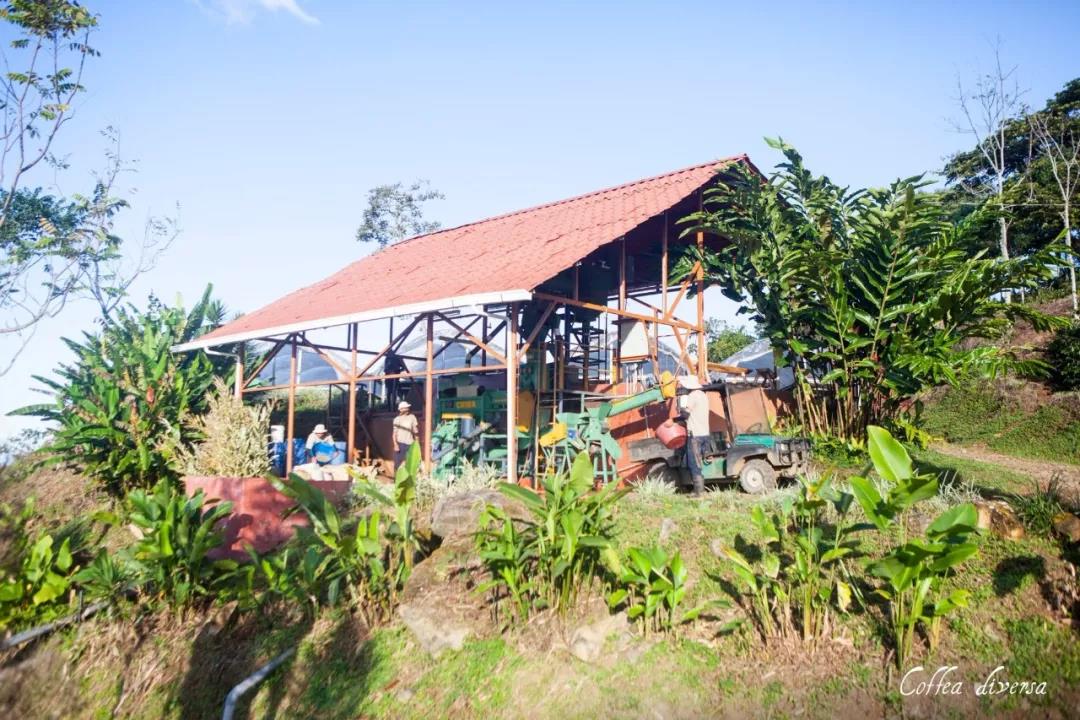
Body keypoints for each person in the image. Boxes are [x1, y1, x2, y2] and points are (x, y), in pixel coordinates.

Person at [679, 376, 710, 496]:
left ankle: (699, 491)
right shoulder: (703, 395)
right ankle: (698, 490)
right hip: (704, 433)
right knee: (698, 461)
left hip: (695, 435)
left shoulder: (693, 396)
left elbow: (686, 414)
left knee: (694, 462)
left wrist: (680, 412)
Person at [392, 400, 419, 468]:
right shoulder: (397, 419)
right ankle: (397, 478)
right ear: (401, 409)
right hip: (400, 444)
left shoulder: (412, 417)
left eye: (408, 408)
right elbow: (394, 433)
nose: (407, 409)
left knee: (410, 463)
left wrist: (417, 443)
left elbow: (415, 431)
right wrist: (395, 445)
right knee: (398, 464)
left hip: (410, 444)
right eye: (406, 408)